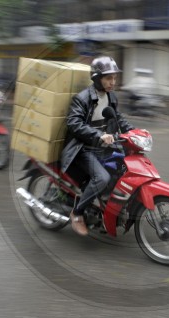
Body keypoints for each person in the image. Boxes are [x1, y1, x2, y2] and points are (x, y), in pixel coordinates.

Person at [60, 56, 134, 236]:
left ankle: (105, 207)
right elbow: (74, 123)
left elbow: (118, 118)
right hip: (82, 148)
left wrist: (134, 132)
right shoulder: (83, 98)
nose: (112, 82)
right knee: (102, 178)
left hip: (103, 147)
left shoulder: (110, 96)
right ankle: (77, 213)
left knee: (125, 168)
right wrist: (100, 135)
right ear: (96, 78)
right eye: (108, 78)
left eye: (114, 78)